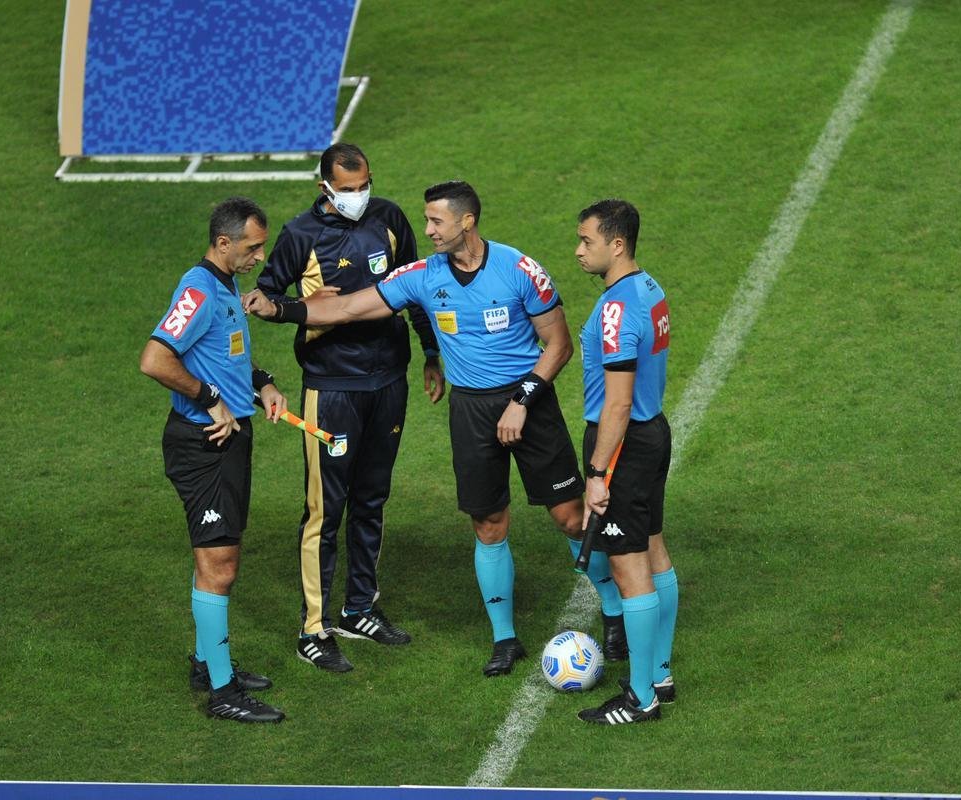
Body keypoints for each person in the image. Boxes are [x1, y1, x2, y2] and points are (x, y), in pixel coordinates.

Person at [244, 180, 622, 677]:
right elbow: (351, 306)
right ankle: (504, 639)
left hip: (529, 403)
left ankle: (615, 615)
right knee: (489, 525)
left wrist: (522, 401)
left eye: (436, 221)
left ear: (467, 221)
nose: (426, 230)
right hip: (470, 412)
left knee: (572, 517)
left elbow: (558, 345)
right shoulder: (423, 275)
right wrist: (282, 308)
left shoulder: (520, 270)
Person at [249, 143, 443, 673]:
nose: (359, 197)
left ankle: (359, 609)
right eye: (348, 189)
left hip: (389, 383)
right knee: (324, 511)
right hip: (330, 389)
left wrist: (429, 351)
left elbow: (417, 288)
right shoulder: (299, 235)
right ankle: (313, 629)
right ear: (325, 188)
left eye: (364, 186)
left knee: (372, 499)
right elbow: (263, 300)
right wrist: (309, 309)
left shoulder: (389, 219)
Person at [140, 196, 288, 723]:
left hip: (228, 439)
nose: (260, 258)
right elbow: (155, 359)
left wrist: (262, 384)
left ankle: (208, 662)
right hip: (203, 444)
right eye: (252, 247)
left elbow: (226, 355)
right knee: (218, 566)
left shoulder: (225, 285)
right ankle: (223, 693)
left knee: (221, 559)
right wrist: (209, 400)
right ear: (222, 243)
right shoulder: (198, 288)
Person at [572, 199, 678, 725]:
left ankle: (641, 698)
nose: (578, 250)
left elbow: (616, 401)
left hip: (623, 443)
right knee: (655, 549)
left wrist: (596, 473)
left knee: (628, 562)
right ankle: (659, 671)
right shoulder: (650, 288)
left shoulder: (615, 309)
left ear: (617, 244)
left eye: (586, 240)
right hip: (653, 430)